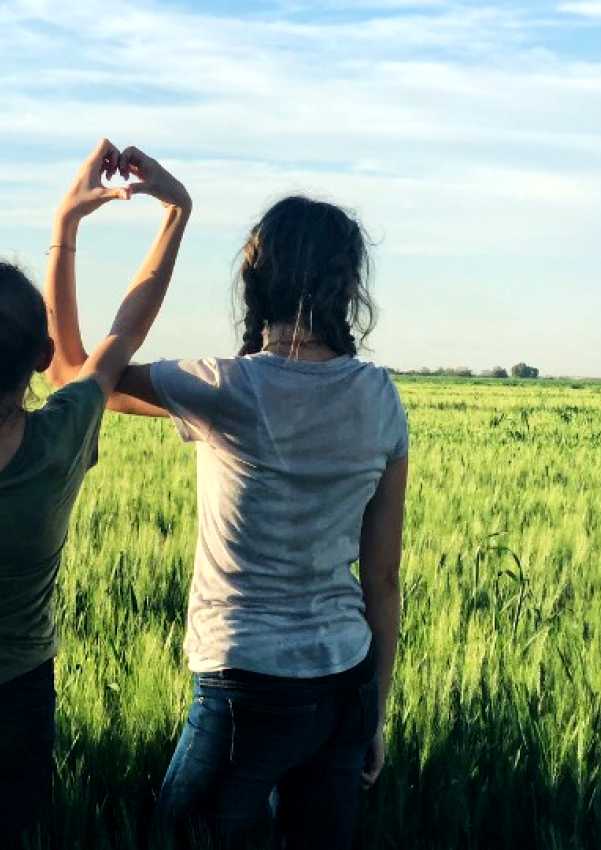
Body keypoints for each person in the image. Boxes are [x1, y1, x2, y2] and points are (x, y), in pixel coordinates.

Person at [49, 193, 408, 849]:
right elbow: (382, 578)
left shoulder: (224, 385)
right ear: (348, 287)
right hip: (346, 684)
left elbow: (72, 376)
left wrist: (66, 227)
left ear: (255, 281)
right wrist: (375, 715)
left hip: (245, 684)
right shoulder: (380, 396)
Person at [0, 138, 191, 846]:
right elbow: (122, 332)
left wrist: (63, 223)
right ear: (40, 356)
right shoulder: (58, 440)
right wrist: (173, 212)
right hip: (19, 693)